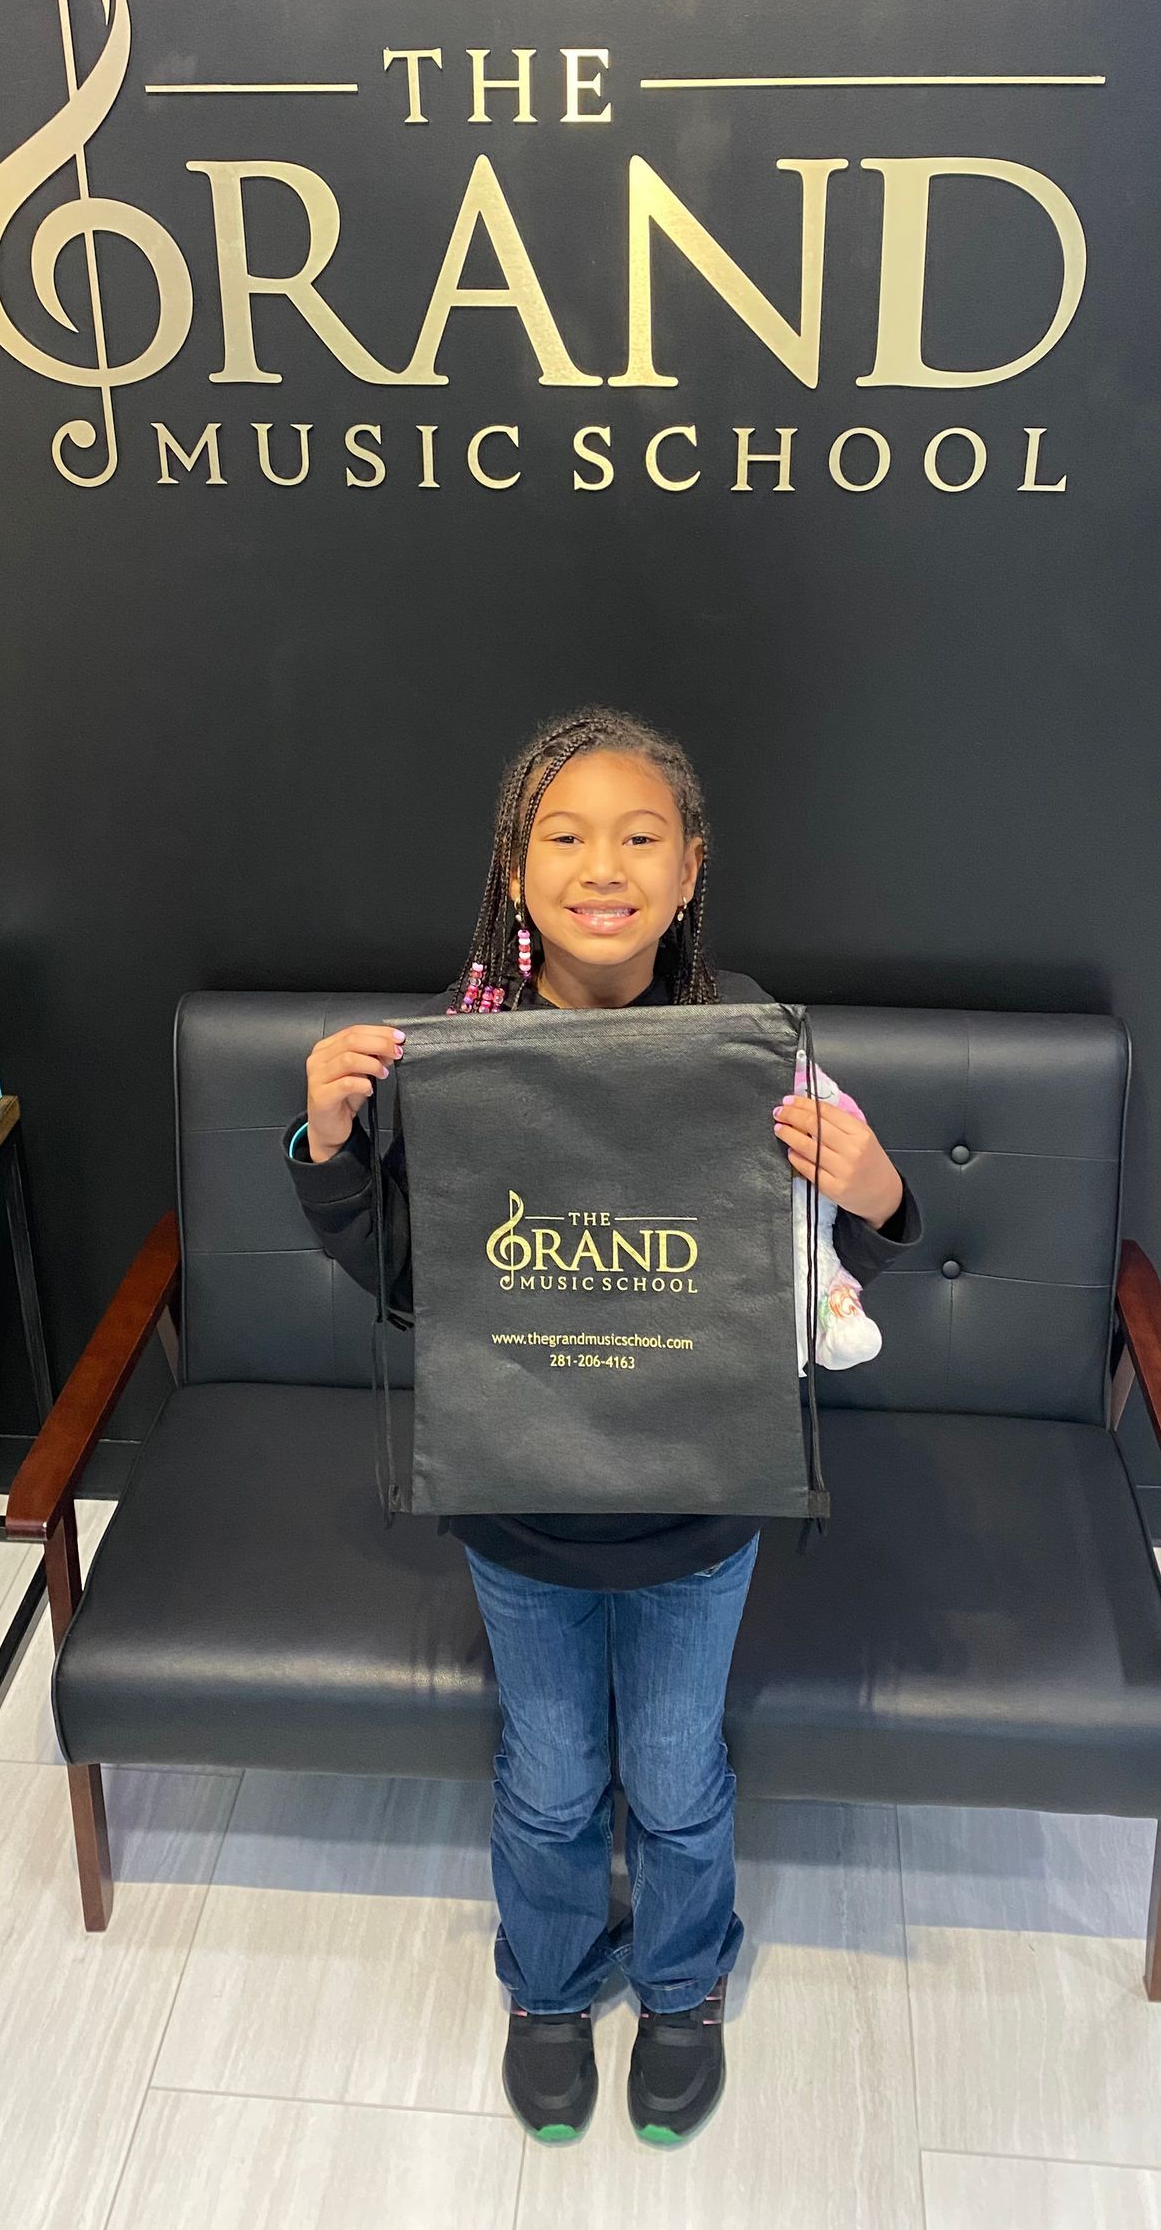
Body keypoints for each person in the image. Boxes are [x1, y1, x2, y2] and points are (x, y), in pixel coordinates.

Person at [285, 707, 921, 2147]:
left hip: (702, 1510)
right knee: (553, 1769)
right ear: (515, 872)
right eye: (563, 836)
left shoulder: (747, 1048)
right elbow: (406, 1282)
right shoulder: (462, 1055)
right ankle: (553, 1986)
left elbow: (816, 1280)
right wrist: (329, 1145)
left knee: (680, 1774)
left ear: (691, 868)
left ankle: (683, 1983)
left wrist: (877, 1187)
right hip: (518, 1508)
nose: (603, 866)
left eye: (640, 836)